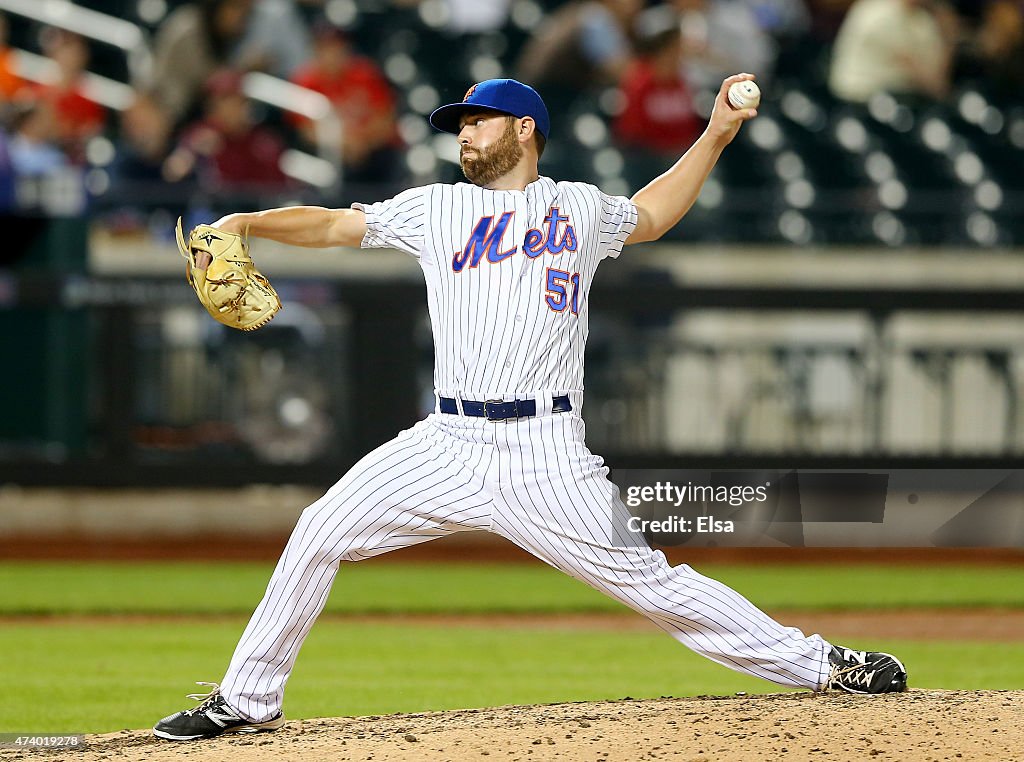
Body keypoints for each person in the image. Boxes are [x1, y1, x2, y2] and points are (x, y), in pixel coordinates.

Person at [152, 75, 908, 742]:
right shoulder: (436, 210)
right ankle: (246, 701)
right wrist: (249, 224)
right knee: (319, 529)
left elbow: (650, 215)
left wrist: (714, 135)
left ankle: (821, 664)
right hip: (445, 440)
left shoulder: (577, 208)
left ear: (523, 131)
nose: (464, 134)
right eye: (460, 125)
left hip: (544, 451)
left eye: (477, 121)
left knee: (652, 583)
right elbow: (331, 224)